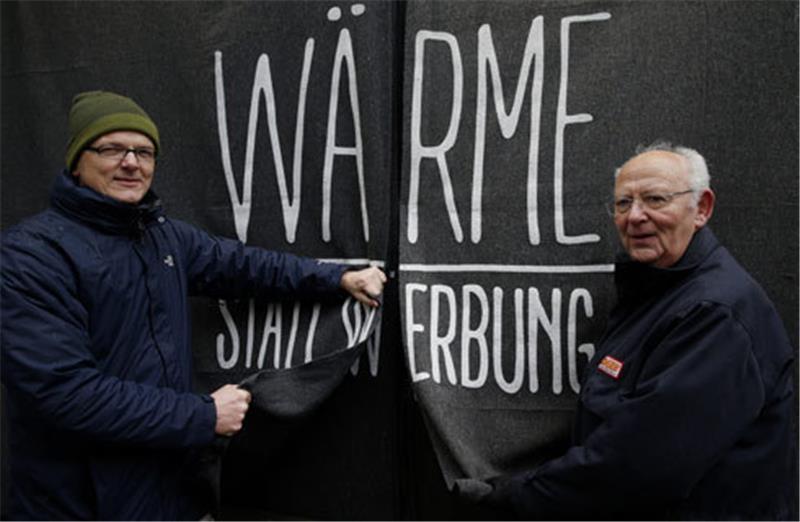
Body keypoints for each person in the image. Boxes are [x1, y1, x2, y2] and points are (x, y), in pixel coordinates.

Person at [0, 90, 387, 520]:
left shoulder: (163, 237)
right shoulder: (31, 256)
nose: (131, 162)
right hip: (78, 507)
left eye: (144, 152)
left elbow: (244, 266)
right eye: (111, 149)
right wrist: (203, 416)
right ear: (77, 162)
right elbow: (65, 394)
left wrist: (337, 278)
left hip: (172, 498)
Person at [470, 141, 795, 520]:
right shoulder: (657, 292)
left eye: (656, 199)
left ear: (702, 208)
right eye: (623, 203)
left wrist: (513, 496)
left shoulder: (714, 314)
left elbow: (641, 466)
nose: (635, 216)